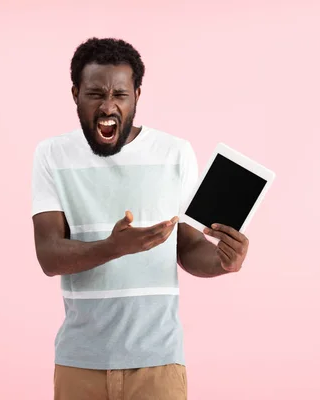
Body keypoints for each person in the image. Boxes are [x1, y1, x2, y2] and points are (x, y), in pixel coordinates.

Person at [31, 37, 250, 400]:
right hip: (79, 361)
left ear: (137, 95)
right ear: (75, 94)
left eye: (120, 94)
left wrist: (223, 261)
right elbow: (49, 255)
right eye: (95, 94)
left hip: (158, 362)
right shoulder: (52, 155)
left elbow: (190, 247)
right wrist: (114, 247)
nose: (108, 105)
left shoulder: (174, 153)